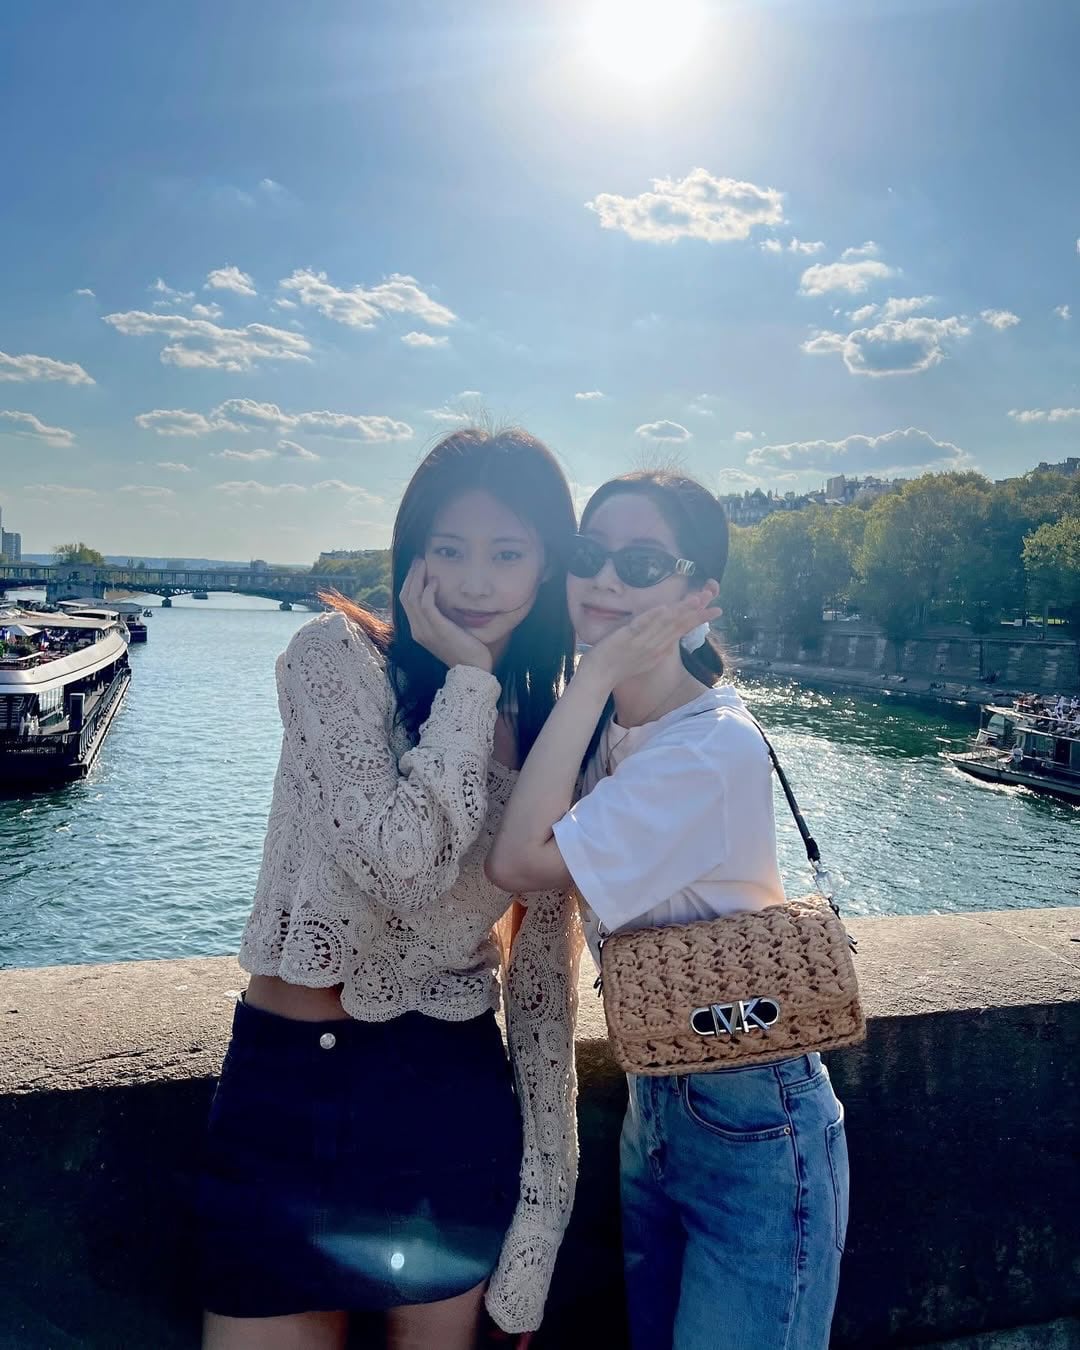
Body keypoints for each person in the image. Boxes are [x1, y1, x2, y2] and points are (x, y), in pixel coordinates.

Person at [199, 426, 582, 1350]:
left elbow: (541, 995)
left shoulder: (555, 737)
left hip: (446, 1094)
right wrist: (470, 685)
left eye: (507, 554)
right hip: (287, 1091)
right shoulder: (332, 658)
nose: (476, 582)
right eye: (449, 549)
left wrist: (539, 1227)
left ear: (546, 566)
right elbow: (398, 867)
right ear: (411, 556)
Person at [488, 470, 849, 1350]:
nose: (606, 579)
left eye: (643, 563)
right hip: (658, 1094)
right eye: (589, 555)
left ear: (699, 596)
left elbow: (518, 861)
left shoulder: (707, 749)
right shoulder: (615, 729)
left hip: (753, 1116)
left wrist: (593, 673)